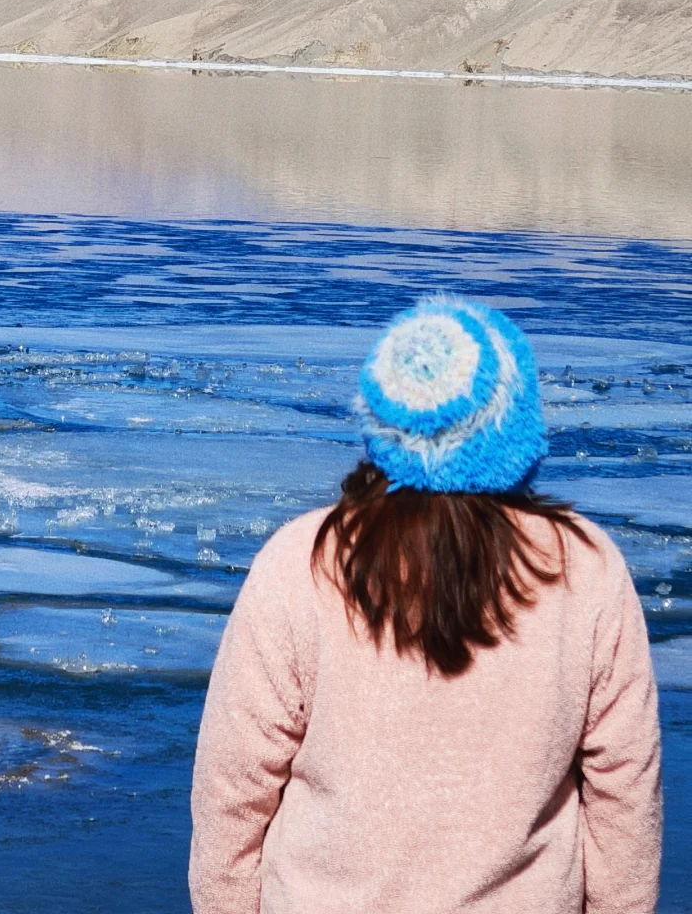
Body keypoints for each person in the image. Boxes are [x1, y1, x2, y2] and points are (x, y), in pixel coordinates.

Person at [190, 297, 661, 914]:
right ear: (516, 425)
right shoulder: (584, 568)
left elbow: (233, 791)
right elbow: (625, 796)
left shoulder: (303, 562)